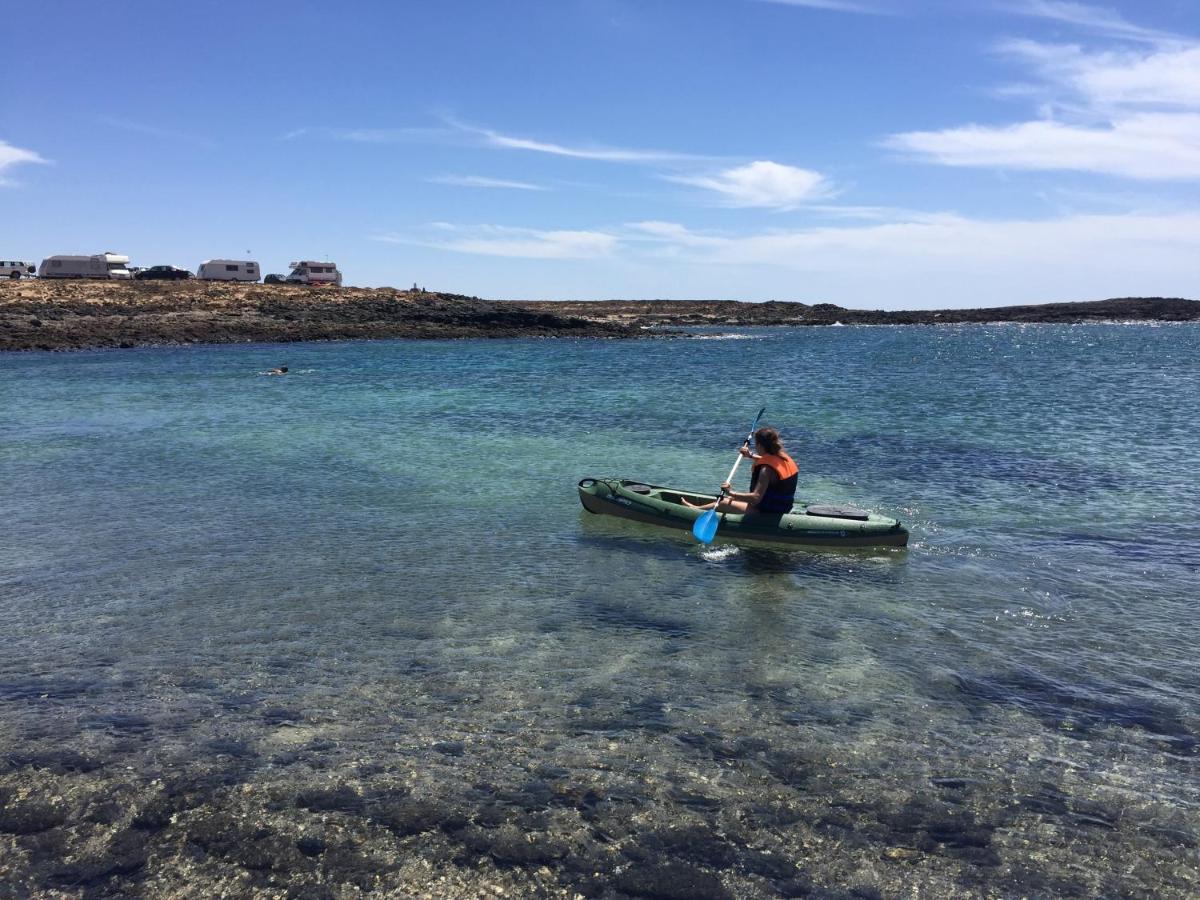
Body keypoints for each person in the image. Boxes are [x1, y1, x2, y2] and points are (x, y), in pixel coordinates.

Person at [682, 426, 799, 515]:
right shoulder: (783, 457)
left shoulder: (765, 470)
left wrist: (731, 492)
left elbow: (756, 498)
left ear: (759, 445)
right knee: (731, 499)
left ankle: (694, 510)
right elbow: (770, 461)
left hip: (767, 511)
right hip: (784, 506)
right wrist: (750, 455)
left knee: (723, 502)